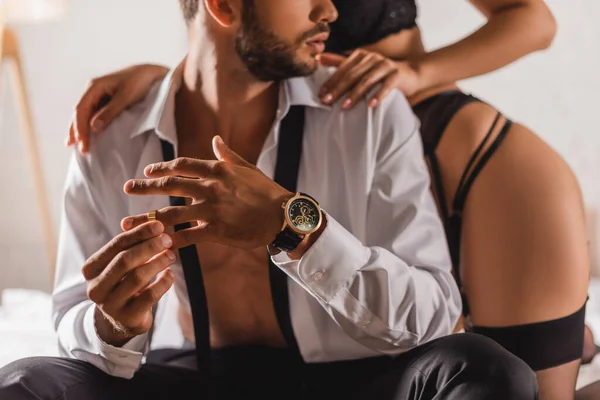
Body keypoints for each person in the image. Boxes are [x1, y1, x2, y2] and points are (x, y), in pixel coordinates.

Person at [0, 0, 537, 399]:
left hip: (351, 381)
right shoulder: (110, 132)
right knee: (24, 382)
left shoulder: (369, 113)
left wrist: (296, 227)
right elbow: (73, 321)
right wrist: (113, 326)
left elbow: (435, 315)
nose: (329, 10)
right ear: (225, 5)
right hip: (186, 379)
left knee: (486, 370)